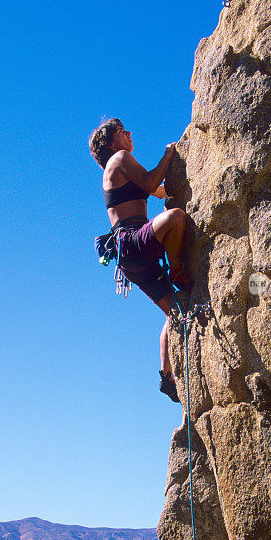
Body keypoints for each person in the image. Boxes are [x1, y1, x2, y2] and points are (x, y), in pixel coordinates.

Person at [89, 117, 192, 402]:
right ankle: (179, 272)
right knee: (176, 218)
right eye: (123, 131)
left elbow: (158, 189)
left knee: (175, 312)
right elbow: (150, 182)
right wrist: (168, 156)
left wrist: (175, 182)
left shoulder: (121, 168)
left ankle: (167, 376)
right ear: (112, 143)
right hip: (134, 243)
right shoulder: (120, 158)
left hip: (131, 258)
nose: (130, 133)